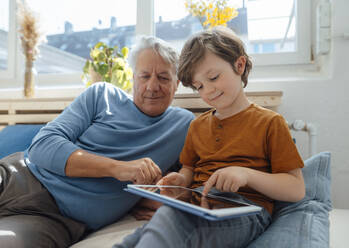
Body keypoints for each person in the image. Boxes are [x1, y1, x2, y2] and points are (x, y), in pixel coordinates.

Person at [114, 27, 305, 248]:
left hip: (243, 212)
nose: (208, 91)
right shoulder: (198, 126)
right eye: (199, 86)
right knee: (137, 238)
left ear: (239, 65)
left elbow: (296, 189)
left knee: (168, 225)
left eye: (213, 77)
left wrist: (246, 174)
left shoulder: (269, 123)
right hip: (196, 206)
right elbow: (189, 169)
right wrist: (181, 181)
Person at [0, 36, 194, 248]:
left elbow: (190, 179)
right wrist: (117, 168)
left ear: (177, 84)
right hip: (19, 177)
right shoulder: (102, 95)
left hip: (56, 220)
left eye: (164, 78)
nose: (152, 86)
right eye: (145, 76)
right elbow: (42, 145)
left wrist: (170, 197)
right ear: (133, 79)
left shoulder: (184, 126)